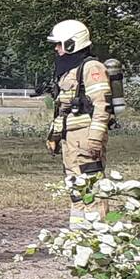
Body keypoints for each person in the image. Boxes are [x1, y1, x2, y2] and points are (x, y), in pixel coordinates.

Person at [45, 20, 111, 227]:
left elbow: (102, 106)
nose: (56, 49)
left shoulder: (91, 68)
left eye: (59, 44)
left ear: (72, 43)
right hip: (70, 138)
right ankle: (79, 233)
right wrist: (54, 135)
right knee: (75, 186)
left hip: (86, 137)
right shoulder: (69, 69)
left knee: (91, 186)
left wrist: (95, 139)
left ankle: (98, 234)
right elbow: (63, 109)